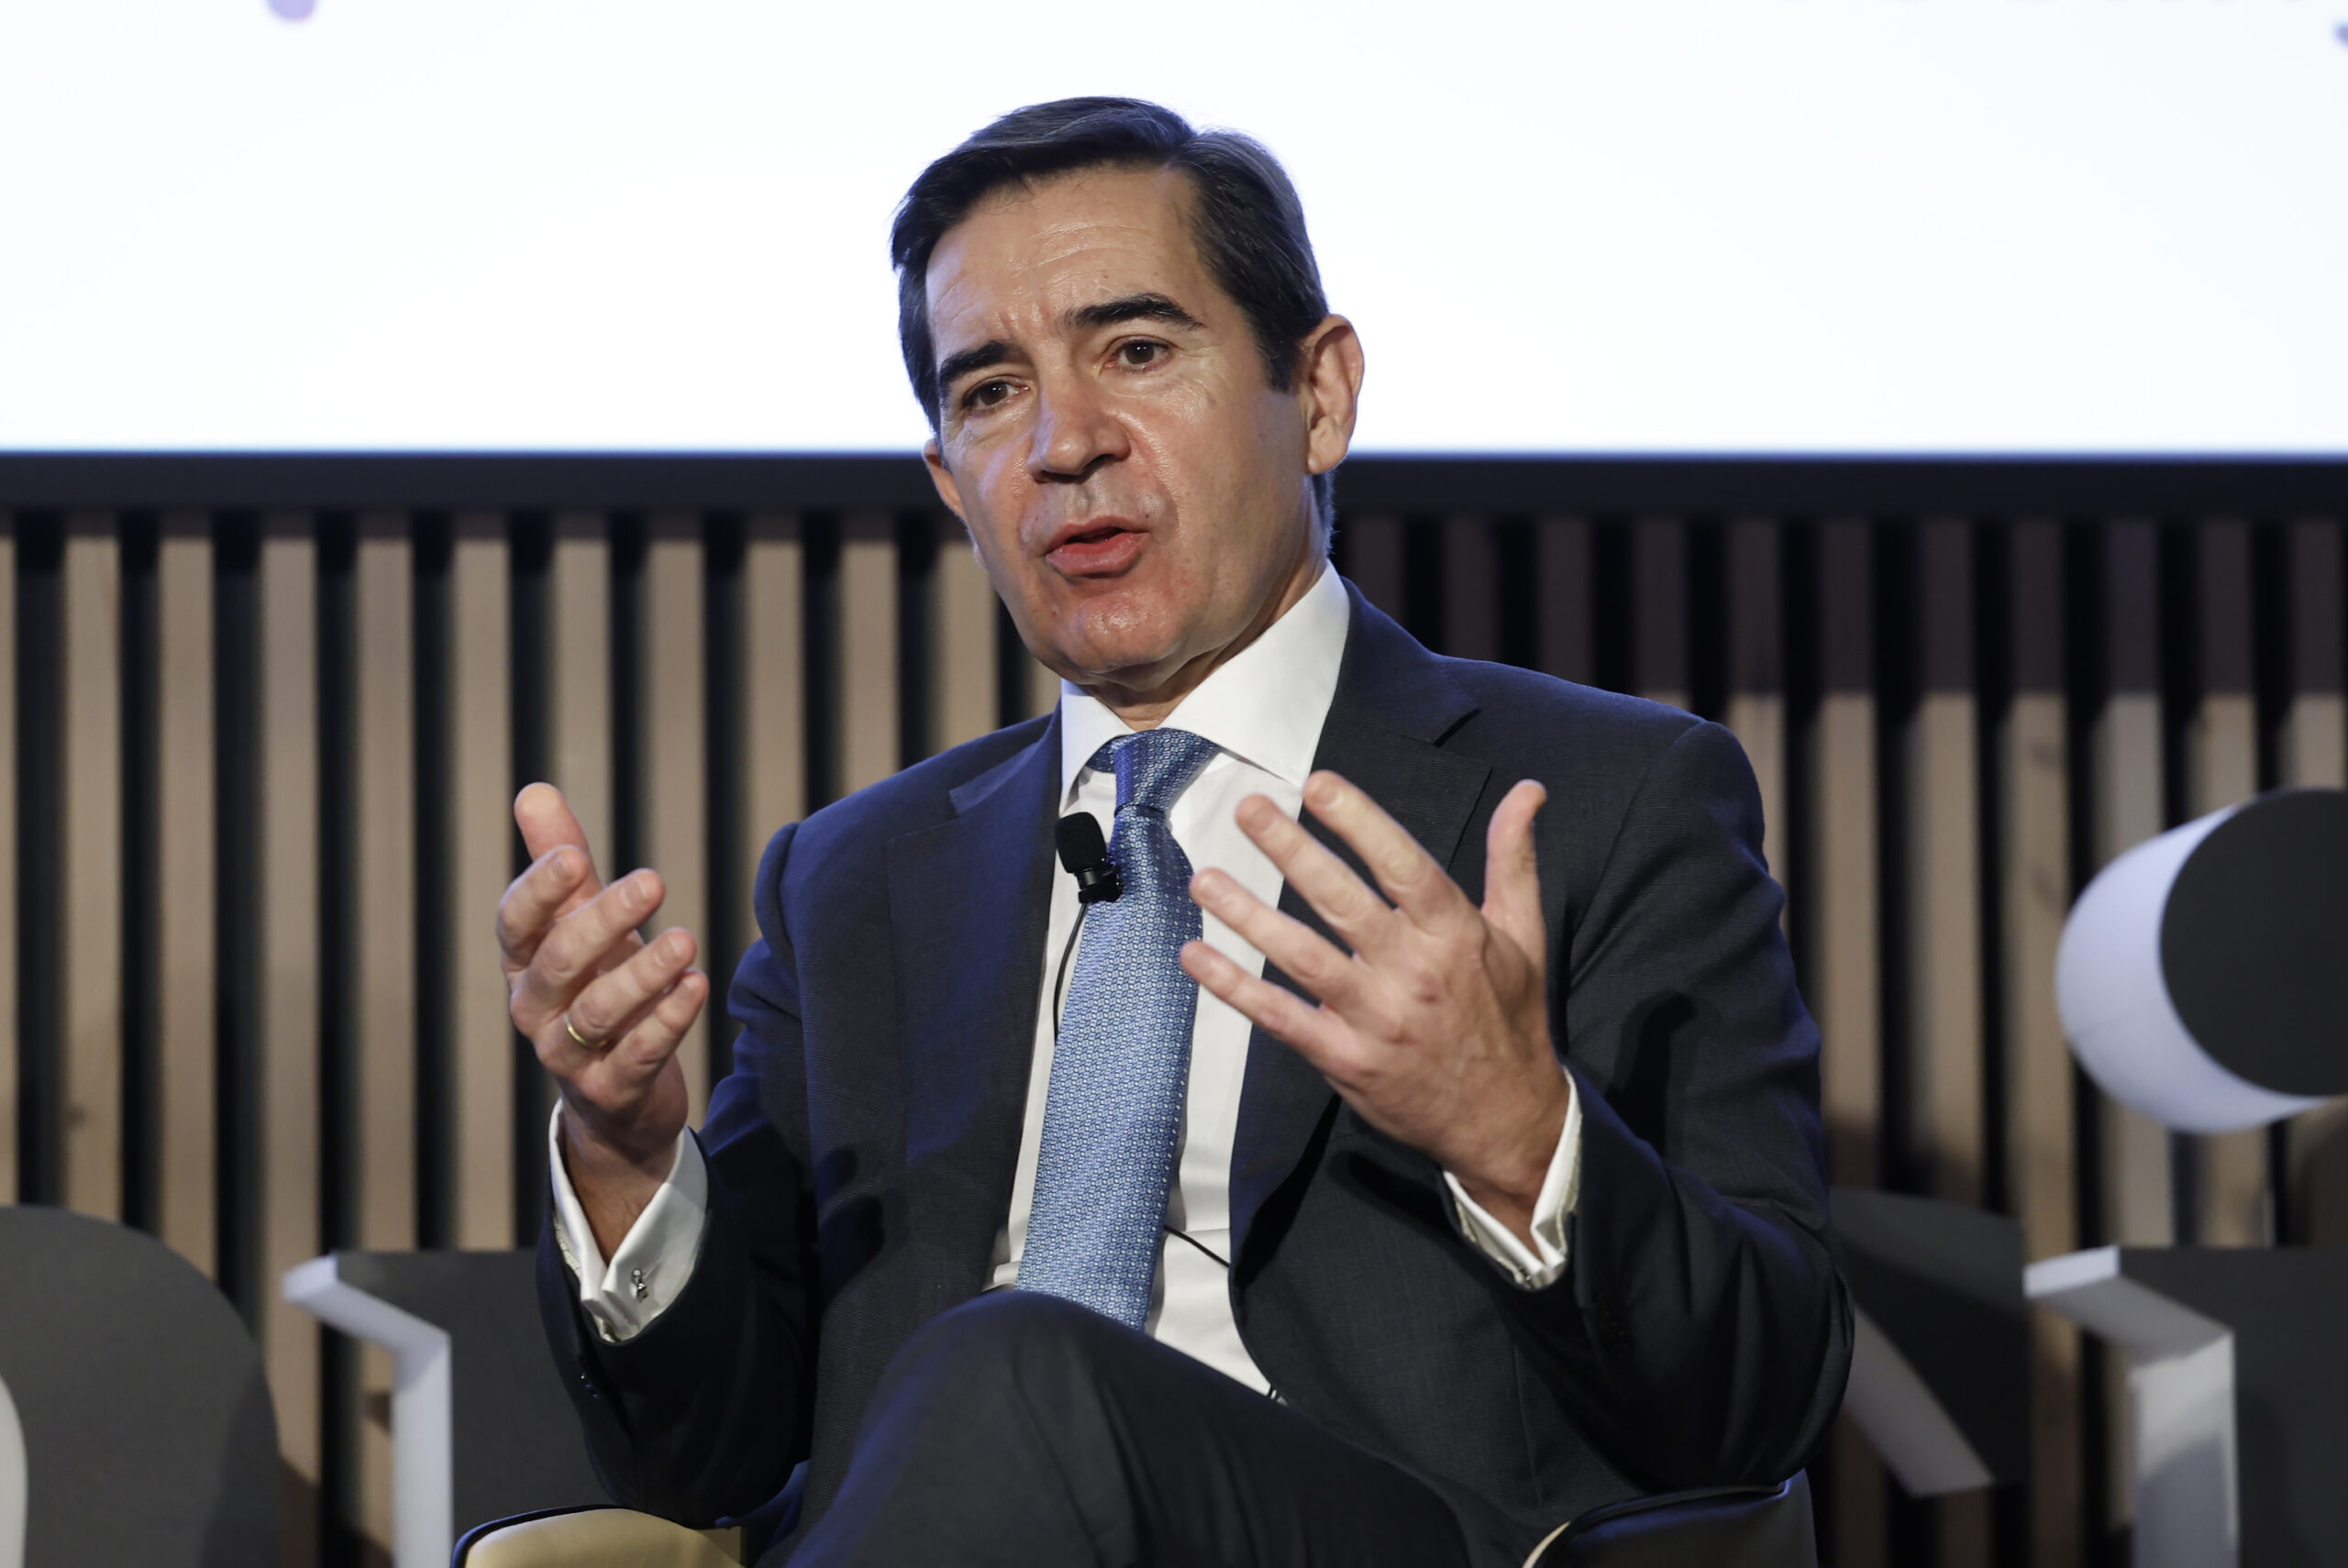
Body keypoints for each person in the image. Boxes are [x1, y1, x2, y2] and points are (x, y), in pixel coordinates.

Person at [497, 97, 1848, 1567]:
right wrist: (627, 1157)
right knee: (991, 1371)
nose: (1064, 443)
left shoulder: (1605, 798)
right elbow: (704, 1453)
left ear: (1319, 393)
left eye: (1137, 350)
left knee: (1016, 1359)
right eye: (991, 391)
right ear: (951, 483)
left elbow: (1761, 1401)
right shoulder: (855, 882)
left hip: (1388, 1538)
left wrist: (1518, 1136)